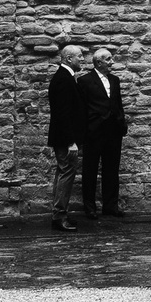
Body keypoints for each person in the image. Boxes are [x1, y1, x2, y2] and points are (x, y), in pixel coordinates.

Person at [45, 43, 90, 231]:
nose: (83, 59)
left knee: (63, 173)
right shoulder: (64, 79)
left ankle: (59, 214)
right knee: (66, 174)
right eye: (80, 56)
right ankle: (59, 216)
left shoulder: (66, 77)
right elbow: (63, 115)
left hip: (65, 137)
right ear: (69, 59)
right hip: (66, 139)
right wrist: (71, 142)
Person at [83, 45, 129, 218]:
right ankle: (90, 207)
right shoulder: (85, 81)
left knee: (112, 169)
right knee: (90, 170)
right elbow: (83, 108)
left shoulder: (115, 80)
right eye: (108, 59)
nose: (112, 62)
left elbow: (118, 104)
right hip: (94, 132)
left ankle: (110, 205)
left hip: (113, 132)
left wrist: (122, 123)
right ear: (98, 62)